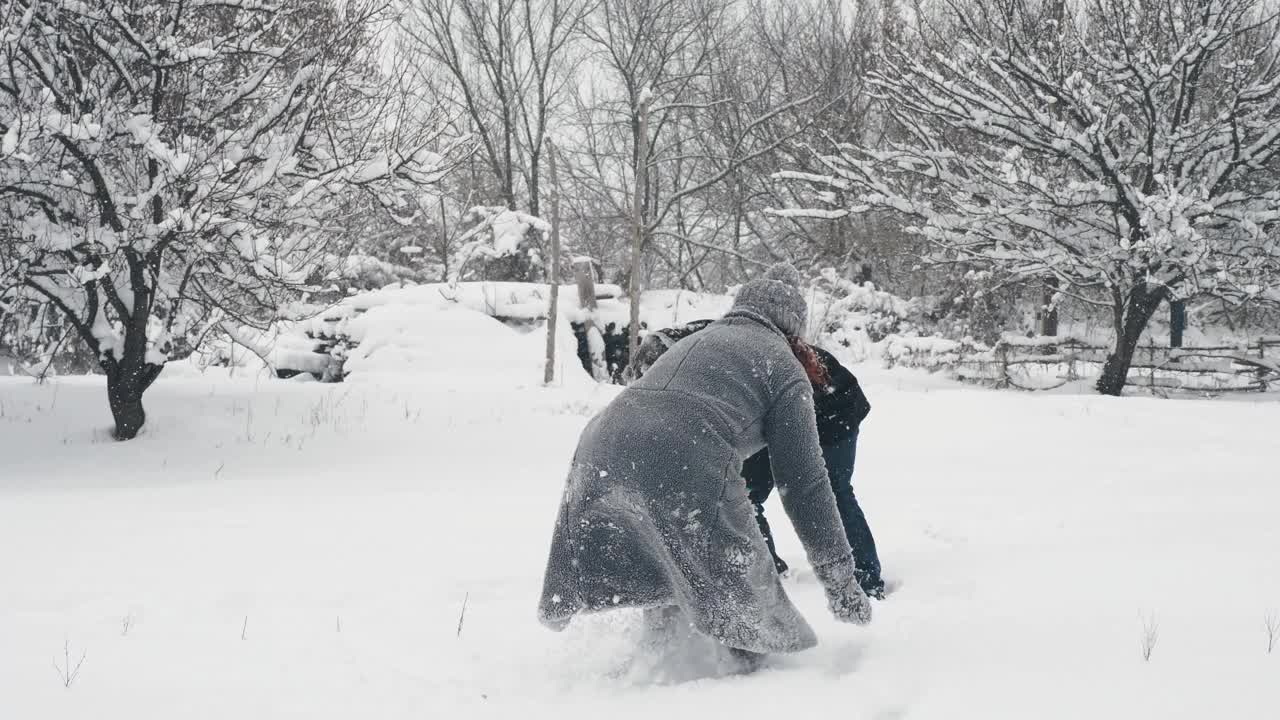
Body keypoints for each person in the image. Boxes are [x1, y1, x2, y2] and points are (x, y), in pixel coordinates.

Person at [538, 263, 871, 666]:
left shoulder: (701, 337)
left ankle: (654, 667)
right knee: (747, 597)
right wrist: (840, 581)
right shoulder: (783, 366)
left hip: (600, 442)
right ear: (795, 328)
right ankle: (753, 682)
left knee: (664, 562)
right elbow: (804, 484)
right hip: (681, 451)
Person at [632, 323, 885, 599]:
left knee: (832, 492)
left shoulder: (719, 354)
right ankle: (767, 572)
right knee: (746, 495)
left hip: (831, 407)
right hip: (775, 415)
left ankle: (864, 577)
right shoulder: (694, 355)